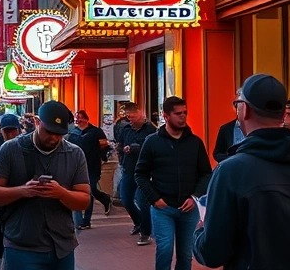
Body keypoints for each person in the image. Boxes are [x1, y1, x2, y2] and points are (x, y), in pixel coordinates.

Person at [194, 74, 290, 269]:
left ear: (245, 110)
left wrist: (199, 231)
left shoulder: (231, 172)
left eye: (238, 103)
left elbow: (213, 253)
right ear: (283, 114)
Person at [0, 101, 90, 270]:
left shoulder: (74, 154)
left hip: (61, 246)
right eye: (49, 132)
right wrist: (23, 191)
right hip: (21, 245)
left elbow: (84, 200)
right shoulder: (11, 149)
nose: (54, 138)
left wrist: (61, 193)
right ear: (37, 122)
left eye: (60, 134)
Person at [134, 97, 212, 270]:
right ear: (166, 115)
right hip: (163, 208)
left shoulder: (195, 143)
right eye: (178, 113)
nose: (183, 116)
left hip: (189, 208)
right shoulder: (152, 142)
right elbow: (140, 174)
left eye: (185, 113)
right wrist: (154, 199)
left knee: (185, 254)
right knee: (165, 249)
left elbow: (206, 173)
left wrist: (195, 197)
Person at [66, 109, 112, 230]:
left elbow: (104, 147)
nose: (78, 119)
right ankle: (79, 221)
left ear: (86, 119)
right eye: (76, 117)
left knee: (89, 191)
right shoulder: (72, 133)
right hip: (75, 167)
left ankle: (86, 220)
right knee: (78, 191)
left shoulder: (96, 132)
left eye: (80, 117)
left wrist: (103, 159)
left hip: (92, 165)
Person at [117, 103, 155, 243]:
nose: (130, 119)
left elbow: (152, 150)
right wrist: (120, 150)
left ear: (140, 113)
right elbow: (120, 145)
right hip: (128, 169)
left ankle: (146, 232)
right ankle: (138, 222)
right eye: (128, 117)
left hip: (145, 171)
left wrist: (134, 148)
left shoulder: (150, 130)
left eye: (132, 116)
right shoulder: (125, 129)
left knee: (142, 200)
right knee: (125, 199)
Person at [212, 92, 245, 163]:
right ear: (235, 108)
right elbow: (217, 154)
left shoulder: (257, 127)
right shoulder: (225, 129)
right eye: (240, 108)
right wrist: (230, 159)